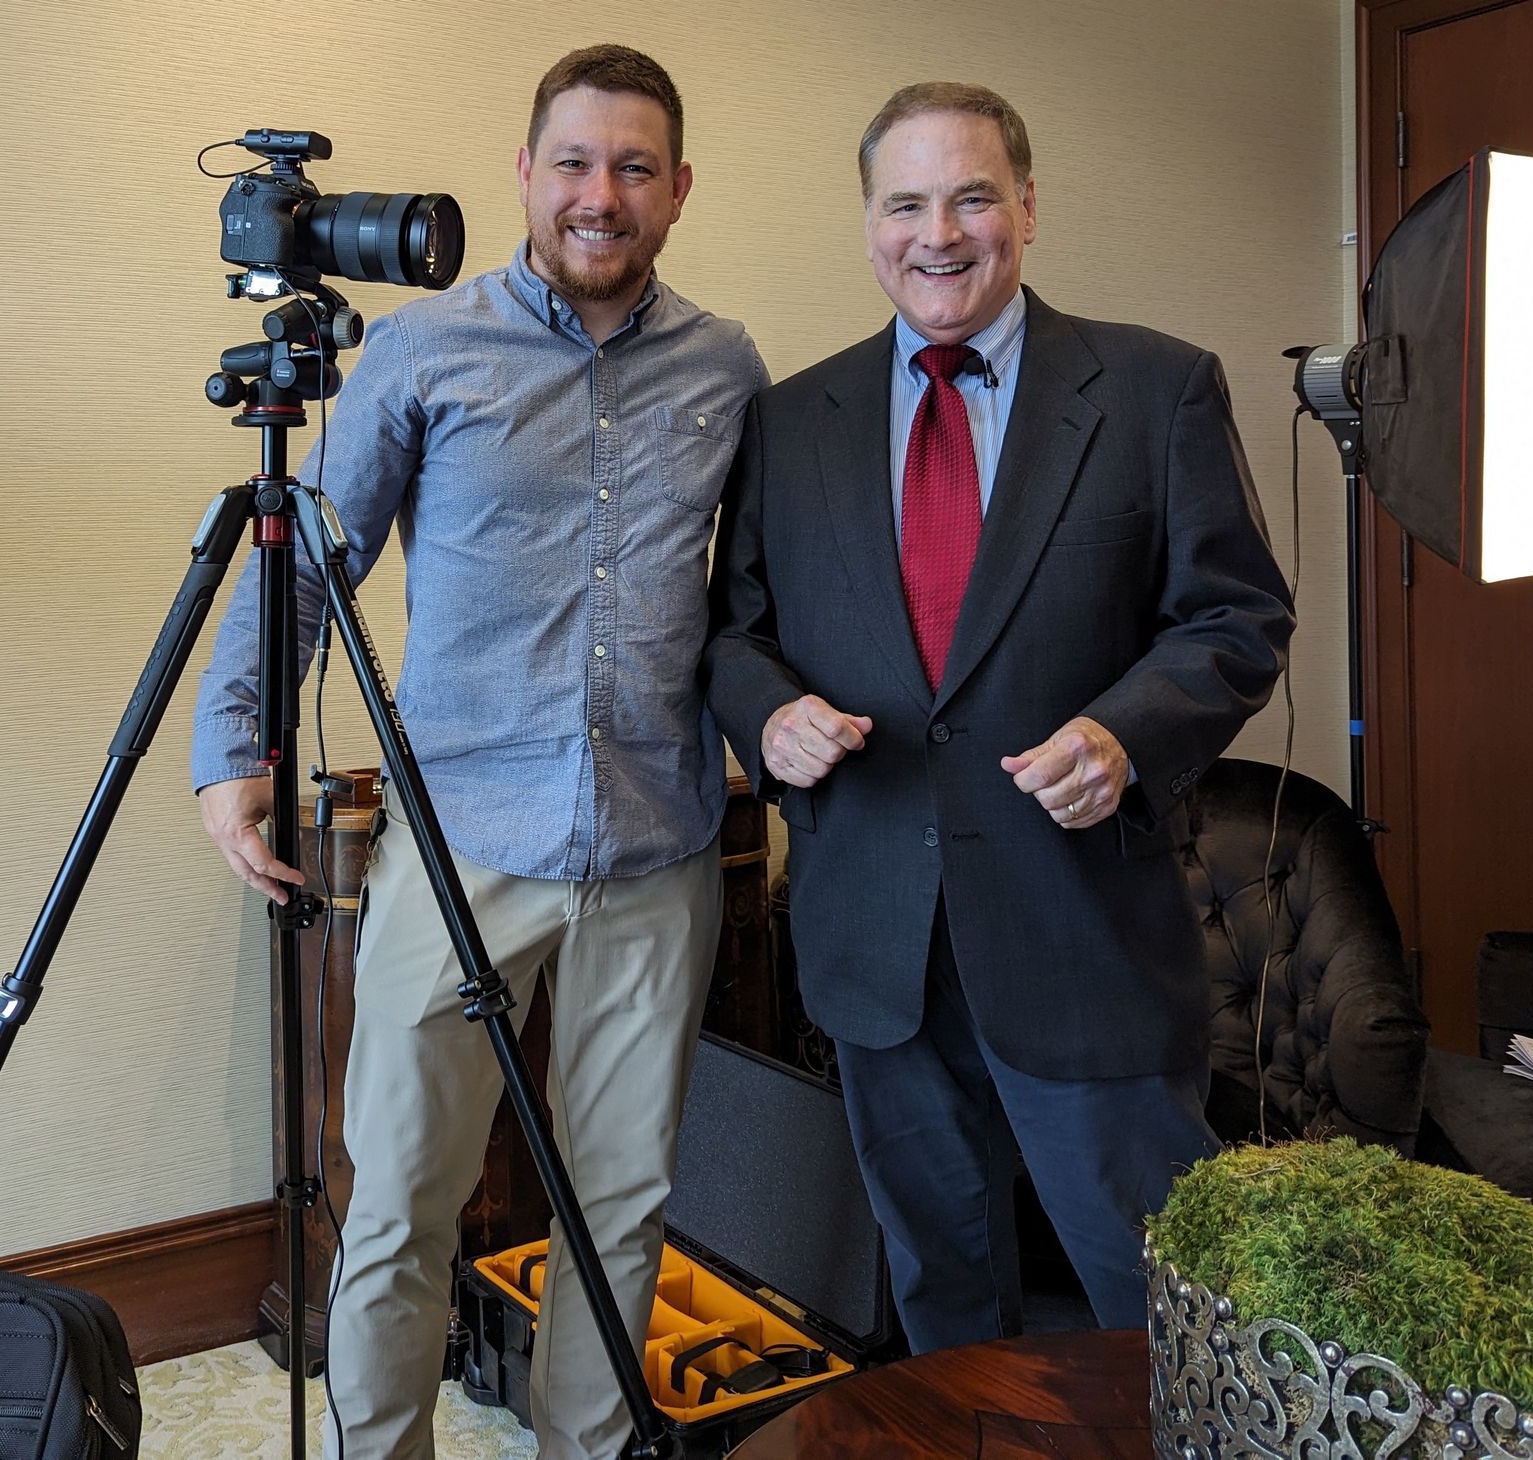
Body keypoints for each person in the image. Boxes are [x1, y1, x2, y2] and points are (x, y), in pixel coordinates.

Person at [191, 44, 766, 1459]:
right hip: (457, 849)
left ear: (679, 189)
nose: (600, 194)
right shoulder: (423, 351)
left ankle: (589, 1446)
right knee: (396, 1203)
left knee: (620, 1206)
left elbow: (759, 594)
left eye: (635, 168)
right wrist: (234, 745)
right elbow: (307, 564)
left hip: (659, 845)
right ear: (526, 172)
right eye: (574, 162)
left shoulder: (729, 368)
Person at [703, 81, 1292, 1352]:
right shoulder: (792, 418)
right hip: (877, 949)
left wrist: (1129, 734)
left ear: (1027, 205)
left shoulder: (1153, 387)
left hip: (1083, 934)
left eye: (972, 195)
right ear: (867, 222)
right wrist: (773, 716)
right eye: (905, 201)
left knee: (1170, 1319)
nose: (940, 231)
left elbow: (1237, 618)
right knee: (941, 1306)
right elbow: (732, 635)